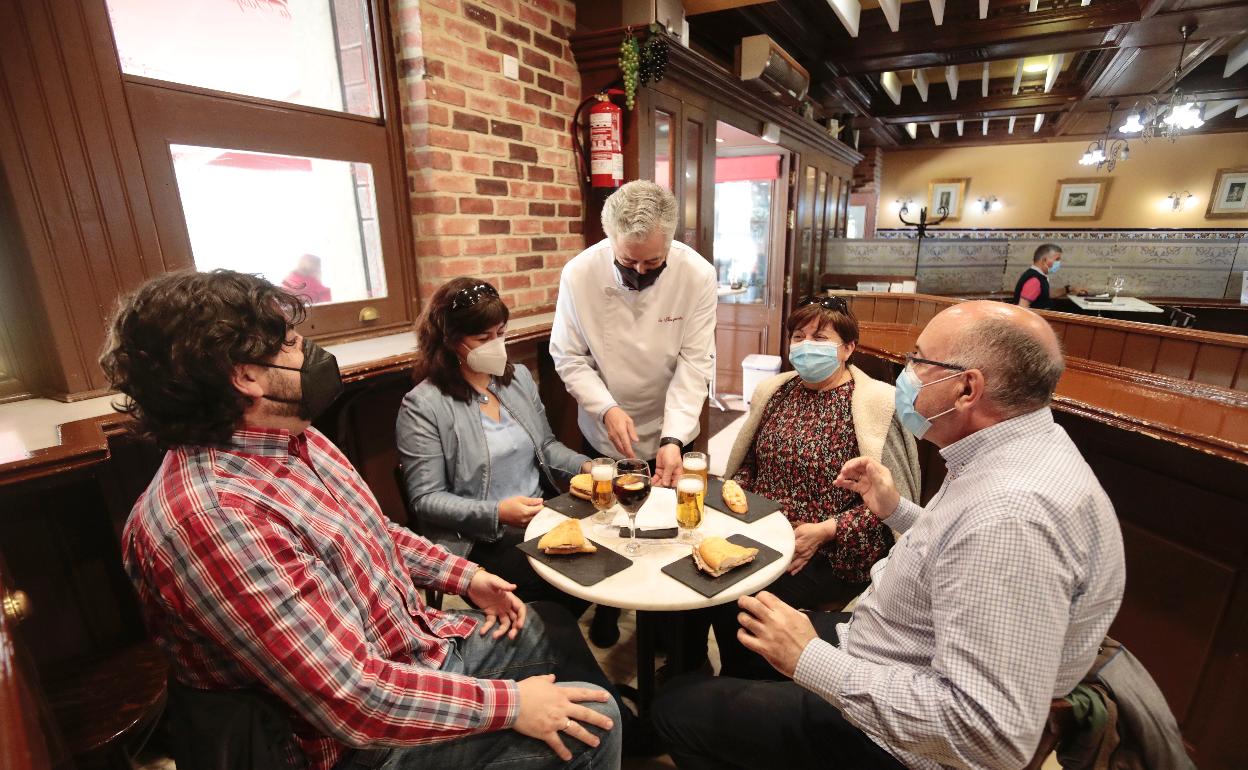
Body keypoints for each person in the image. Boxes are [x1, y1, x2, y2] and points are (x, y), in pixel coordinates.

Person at [103, 270, 621, 770]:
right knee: (595, 724)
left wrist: (467, 577)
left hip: (412, 649)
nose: (308, 353)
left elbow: (374, 531)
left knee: (547, 623)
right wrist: (511, 706)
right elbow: (352, 699)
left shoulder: (297, 439)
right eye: (289, 344)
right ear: (245, 377)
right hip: (352, 747)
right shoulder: (214, 519)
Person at [653, 300, 1126, 770]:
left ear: (967, 388)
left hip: (897, 741)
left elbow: (989, 732)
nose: (906, 373)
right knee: (747, 632)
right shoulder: (1013, 455)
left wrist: (810, 659)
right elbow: (959, 551)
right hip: (887, 642)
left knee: (676, 704)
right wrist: (895, 509)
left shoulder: (1012, 515)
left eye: (918, 360)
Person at [708, 294, 920, 678]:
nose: (807, 346)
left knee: (747, 605)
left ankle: (753, 689)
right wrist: (739, 498)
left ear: (848, 348)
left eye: (821, 338)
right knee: (705, 579)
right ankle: (706, 677)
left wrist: (823, 532)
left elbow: (892, 504)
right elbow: (748, 467)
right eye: (799, 337)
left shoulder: (875, 403)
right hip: (765, 528)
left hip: (836, 544)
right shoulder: (776, 392)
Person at [550, 179, 716, 645]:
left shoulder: (697, 275)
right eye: (628, 262)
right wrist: (605, 408)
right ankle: (608, 603)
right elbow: (568, 356)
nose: (639, 272)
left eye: (652, 263)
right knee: (608, 520)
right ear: (609, 240)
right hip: (604, 420)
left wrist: (673, 437)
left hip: (672, 415)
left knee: (672, 520)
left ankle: (662, 616)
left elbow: (694, 361)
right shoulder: (580, 273)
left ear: (671, 241)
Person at [396, 277, 591, 616]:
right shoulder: (423, 405)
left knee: (596, 559)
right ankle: (544, 646)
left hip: (538, 514)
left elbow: (545, 445)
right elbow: (426, 499)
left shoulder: (516, 380)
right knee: (557, 589)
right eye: (482, 338)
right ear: (451, 340)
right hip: (479, 535)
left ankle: (557, 641)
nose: (496, 345)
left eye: (500, 333)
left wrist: (586, 466)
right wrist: (498, 512)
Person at [1013, 243, 1084, 309]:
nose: (1059, 263)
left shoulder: (1039, 276)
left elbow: (1047, 294)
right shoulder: (1034, 280)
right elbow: (1022, 308)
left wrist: (1069, 289)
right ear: (1044, 260)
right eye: (1057, 259)